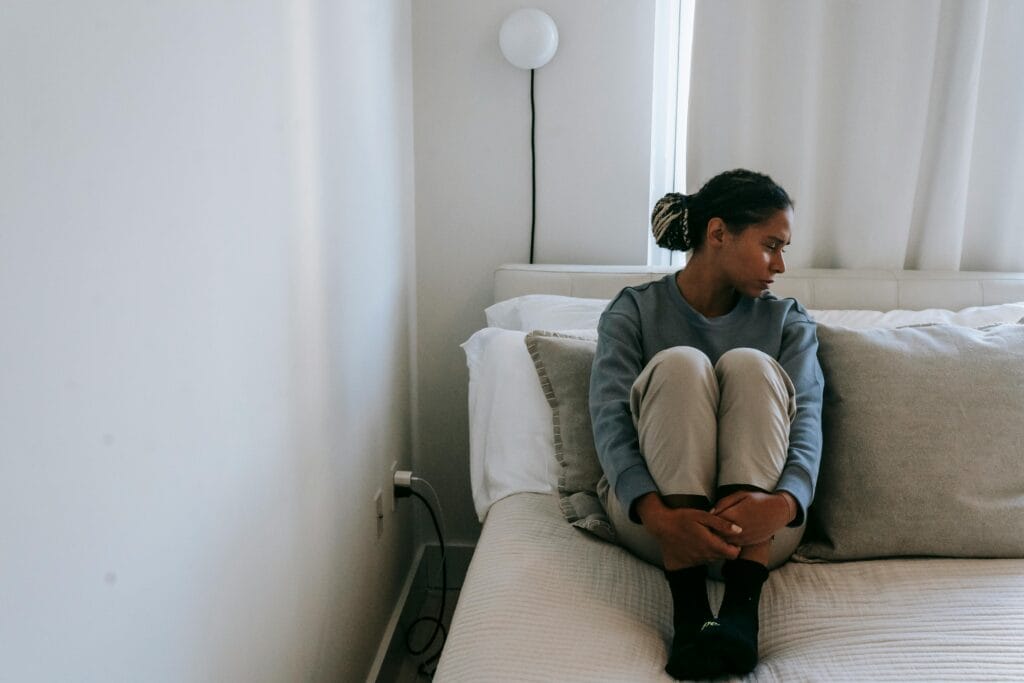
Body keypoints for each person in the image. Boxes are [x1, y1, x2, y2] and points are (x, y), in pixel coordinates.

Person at [588, 169, 824, 680]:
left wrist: (782, 505)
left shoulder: (786, 320)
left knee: (749, 364)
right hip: (653, 521)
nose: (780, 265)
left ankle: (740, 613)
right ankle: (690, 612)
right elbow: (609, 423)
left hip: (765, 530)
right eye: (771, 246)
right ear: (718, 233)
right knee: (680, 363)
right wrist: (656, 515)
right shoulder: (633, 311)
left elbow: (807, 424)